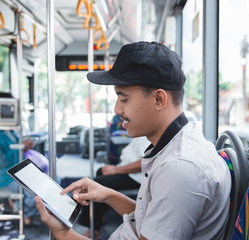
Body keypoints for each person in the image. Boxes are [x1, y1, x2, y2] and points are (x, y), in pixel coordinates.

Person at [36, 41, 231, 239]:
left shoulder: (180, 169)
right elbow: (153, 219)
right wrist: (108, 195)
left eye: (124, 99)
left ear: (158, 100)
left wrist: (64, 234)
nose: (117, 110)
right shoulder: (179, 145)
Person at [0, 91, 47, 225]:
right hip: (2, 178)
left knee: (46, 177)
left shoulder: (6, 127)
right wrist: (21, 147)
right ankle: (24, 213)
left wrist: (23, 144)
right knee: (38, 185)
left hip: (16, 168)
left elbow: (15, 142)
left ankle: (22, 206)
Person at [80, 136, 150, 239]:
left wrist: (116, 170)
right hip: (127, 170)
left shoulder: (151, 138)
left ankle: (94, 229)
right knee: (100, 171)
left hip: (137, 177)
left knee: (98, 183)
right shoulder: (144, 135)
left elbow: (144, 162)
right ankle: (99, 215)